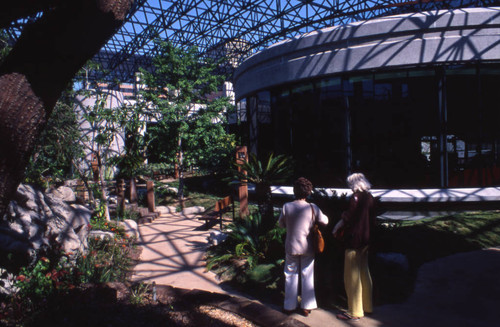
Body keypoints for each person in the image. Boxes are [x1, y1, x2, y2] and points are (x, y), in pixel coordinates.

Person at [278, 177, 329, 317]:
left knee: (290, 274)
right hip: (308, 247)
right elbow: (325, 220)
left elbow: (280, 224)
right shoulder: (313, 207)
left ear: (295, 191)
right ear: (308, 192)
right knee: (308, 274)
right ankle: (307, 306)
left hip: (291, 246)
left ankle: (289, 306)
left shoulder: (286, 206)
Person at [333, 172, 376, 321]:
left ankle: (354, 311)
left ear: (355, 184)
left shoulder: (355, 198)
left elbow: (349, 217)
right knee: (365, 272)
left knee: (351, 276)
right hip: (366, 239)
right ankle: (368, 306)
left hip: (353, 240)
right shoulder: (370, 198)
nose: (350, 188)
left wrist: (338, 225)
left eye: (350, 185)